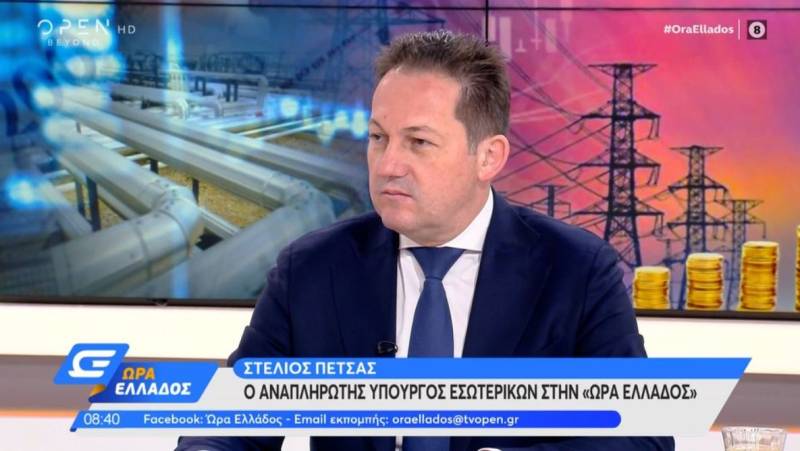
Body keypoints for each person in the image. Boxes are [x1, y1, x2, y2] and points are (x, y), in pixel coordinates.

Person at [177, 30, 674, 451]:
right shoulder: (312, 268)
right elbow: (227, 424)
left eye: (418, 142)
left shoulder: (576, 270)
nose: (388, 164)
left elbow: (644, 434)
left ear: (489, 157)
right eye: (378, 137)